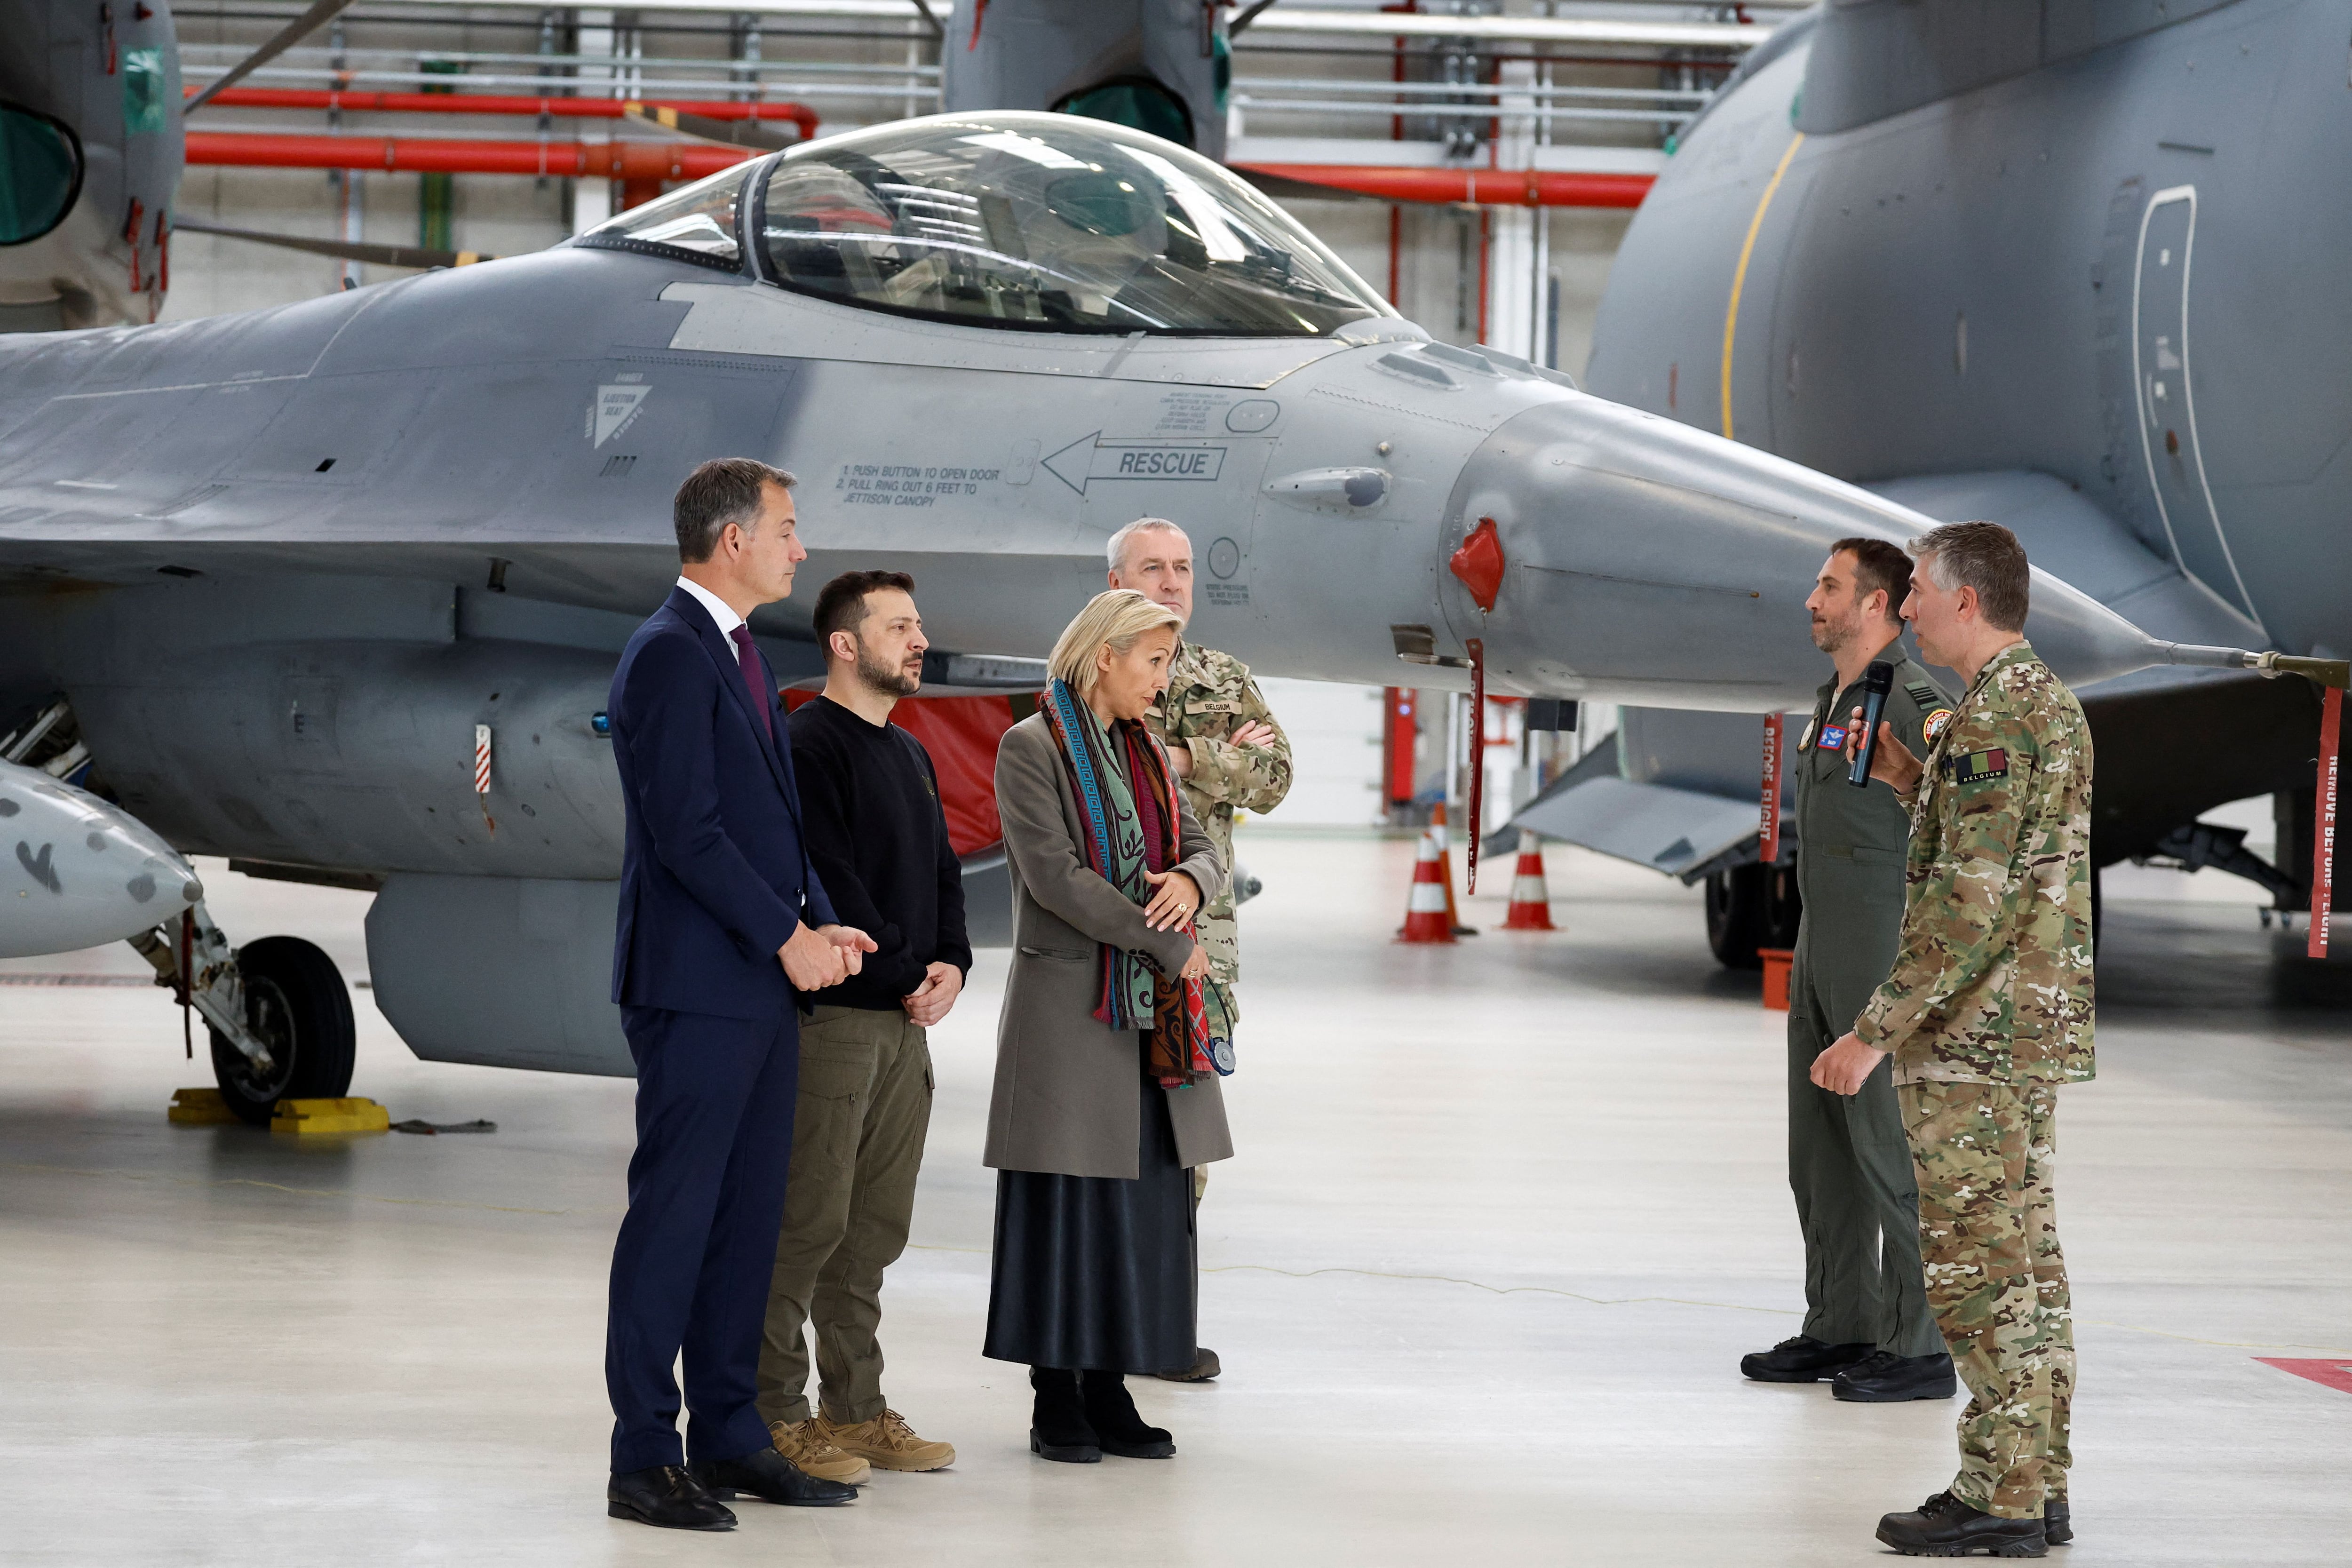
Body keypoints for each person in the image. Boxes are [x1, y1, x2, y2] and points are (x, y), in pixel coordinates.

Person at [1814, 520, 2094, 1558]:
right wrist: (1906, 779)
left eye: (1921, 590)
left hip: (1973, 1040)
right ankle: (2038, 1479)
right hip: (2026, 1029)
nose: (1911, 607)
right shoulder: (2037, 706)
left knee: (1981, 1275)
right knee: (2029, 1266)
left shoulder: (1989, 723)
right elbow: (2015, 857)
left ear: (1965, 601)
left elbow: (1967, 905)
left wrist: (1872, 1032)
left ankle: (1999, 1495)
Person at [602, 458, 873, 1531]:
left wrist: (814, 920)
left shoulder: (740, 651)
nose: (800, 549)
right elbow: (687, 832)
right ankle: (640, 1456)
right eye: (788, 528)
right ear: (731, 541)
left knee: (745, 1221)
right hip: (697, 983)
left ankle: (728, 1433)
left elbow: (770, 818)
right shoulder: (670, 653)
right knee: (674, 1221)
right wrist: (782, 937)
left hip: (757, 981)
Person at [980, 589, 1231, 1464]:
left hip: (1144, 1022)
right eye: (1155, 661)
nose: (1166, 678)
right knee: (1068, 1207)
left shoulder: (1150, 753)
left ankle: (1112, 1386)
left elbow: (1199, 846)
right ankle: (1058, 1394)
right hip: (1072, 1015)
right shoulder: (1031, 747)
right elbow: (1057, 878)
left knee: (1137, 1205)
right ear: (1105, 659)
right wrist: (1165, 939)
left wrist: (1193, 887)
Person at [755, 570, 968, 1484]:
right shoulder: (809, 745)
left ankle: (856, 1408)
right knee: (805, 1227)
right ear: (845, 644)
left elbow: (943, 874)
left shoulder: (910, 751)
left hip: (903, 1029)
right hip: (837, 1024)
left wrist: (950, 963)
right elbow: (828, 878)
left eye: (918, 625)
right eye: (899, 626)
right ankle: (773, 1416)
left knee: (871, 1233)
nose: (919, 640)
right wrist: (898, 970)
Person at [1742, 539, 1959, 1403]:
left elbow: (1953, 839)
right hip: (1820, 946)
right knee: (1821, 1152)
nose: (1811, 600)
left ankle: (1918, 1343)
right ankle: (1842, 1320)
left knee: (1888, 1145)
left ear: (1876, 605)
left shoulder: (1916, 702)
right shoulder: (1831, 701)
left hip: (1881, 951)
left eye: (1828, 586)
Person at [1105, 516, 1292, 1384]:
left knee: (1187, 1133)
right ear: (1116, 582)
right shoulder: (1088, 672)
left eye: (1182, 567)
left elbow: (1278, 777)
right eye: (1153, 567)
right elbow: (1081, 770)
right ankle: (1097, 1322)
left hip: (1199, 947)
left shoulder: (1223, 676)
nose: (1173, 581)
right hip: (1105, 931)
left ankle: (1163, 1324)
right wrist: (1220, 759)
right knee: (1105, 1129)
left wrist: (1182, 753)